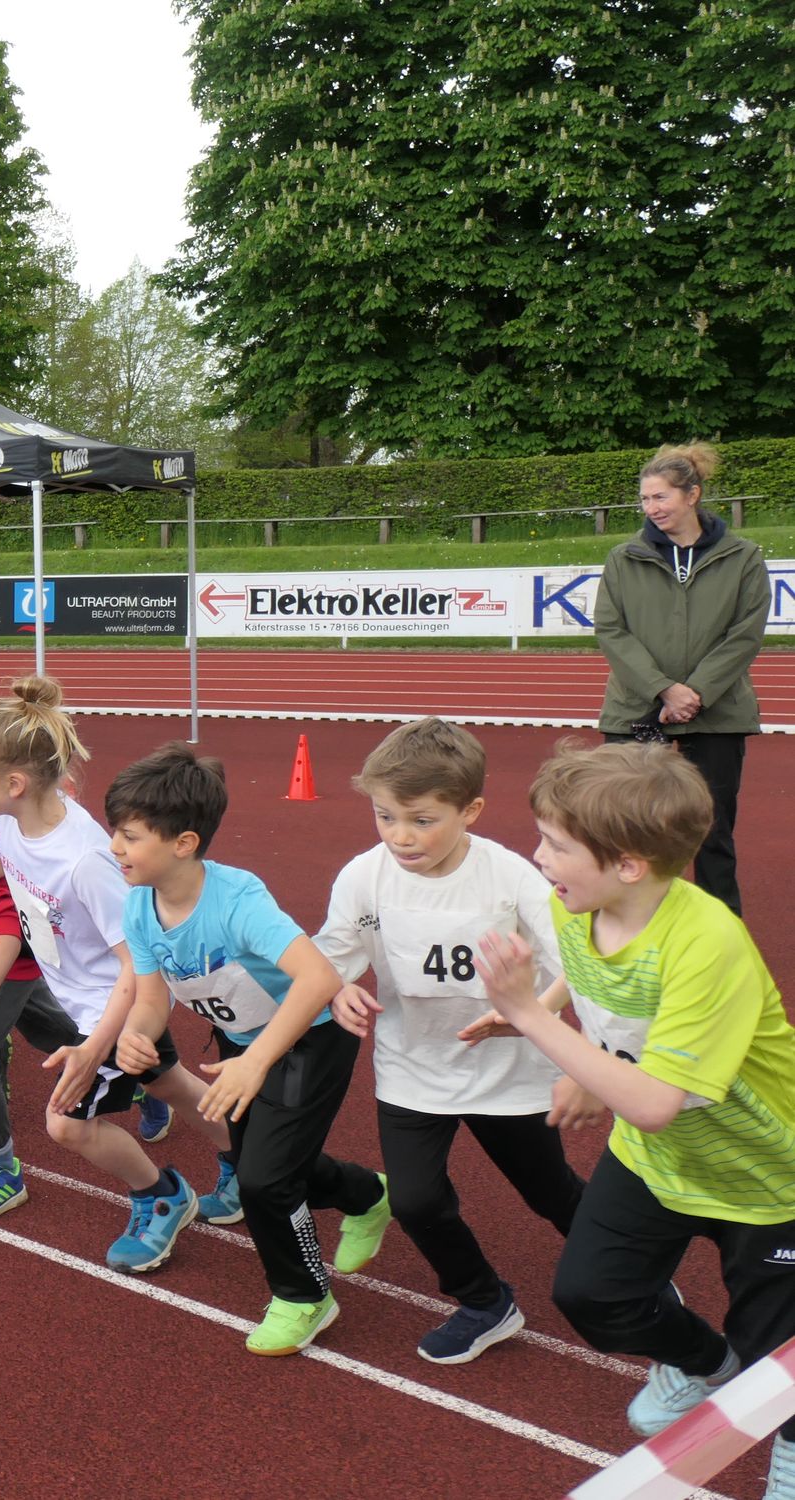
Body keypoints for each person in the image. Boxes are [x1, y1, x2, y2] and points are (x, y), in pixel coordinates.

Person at [476, 742, 795, 1482]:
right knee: (592, 1294)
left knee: (777, 1353)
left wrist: (529, 1016)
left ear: (628, 865)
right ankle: (706, 1364)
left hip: (765, 1176)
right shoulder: (576, 906)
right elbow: (588, 975)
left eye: (557, 845)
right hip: (659, 1159)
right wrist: (564, 1031)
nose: (539, 857)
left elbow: (652, 1103)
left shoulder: (706, 942)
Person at [0, 692, 226, 1272]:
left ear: (14, 783)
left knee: (67, 1124)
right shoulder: (11, 821)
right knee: (171, 1084)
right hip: (81, 1000)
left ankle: (161, 1195)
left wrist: (93, 1047)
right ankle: (243, 1162)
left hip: (115, 1009)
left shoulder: (85, 861)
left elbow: (138, 965)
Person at [109, 742, 391, 1356]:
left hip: (312, 1037)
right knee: (266, 1161)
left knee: (263, 1179)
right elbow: (152, 997)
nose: (115, 847)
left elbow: (318, 978)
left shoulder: (237, 902)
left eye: (129, 836)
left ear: (184, 843)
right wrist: (137, 1033)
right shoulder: (138, 906)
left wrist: (257, 1061)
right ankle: (368, 1194)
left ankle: (305, 1297)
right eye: (116, 833)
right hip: (245, 1049)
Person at [317, 718, 584, 1364]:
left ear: (471, 811)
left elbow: (576, 963)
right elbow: (332, 958)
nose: (400, 836)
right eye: (385, 816)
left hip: (508, 1070)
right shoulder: (363, 876)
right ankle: (485, 1301)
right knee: (415, 1201)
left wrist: (533, 1013)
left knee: (551, 1192)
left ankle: (634, 1272)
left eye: (421, 820)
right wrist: (336, 988)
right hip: (413, 1068)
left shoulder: (510, 877)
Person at [593, 441, 767, 914]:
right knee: (624, 825)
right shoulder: (623, 558)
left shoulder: (743, 557)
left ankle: (720, 929)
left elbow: (745, 634)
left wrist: (697, 692)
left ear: (692, 495)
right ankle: (628, 921)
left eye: (661, 497)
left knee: (712, 830)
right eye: (645, 499)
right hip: (636, 706)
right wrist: (664, 689)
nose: (651, 508)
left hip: (718, 711)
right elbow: (611, 629)